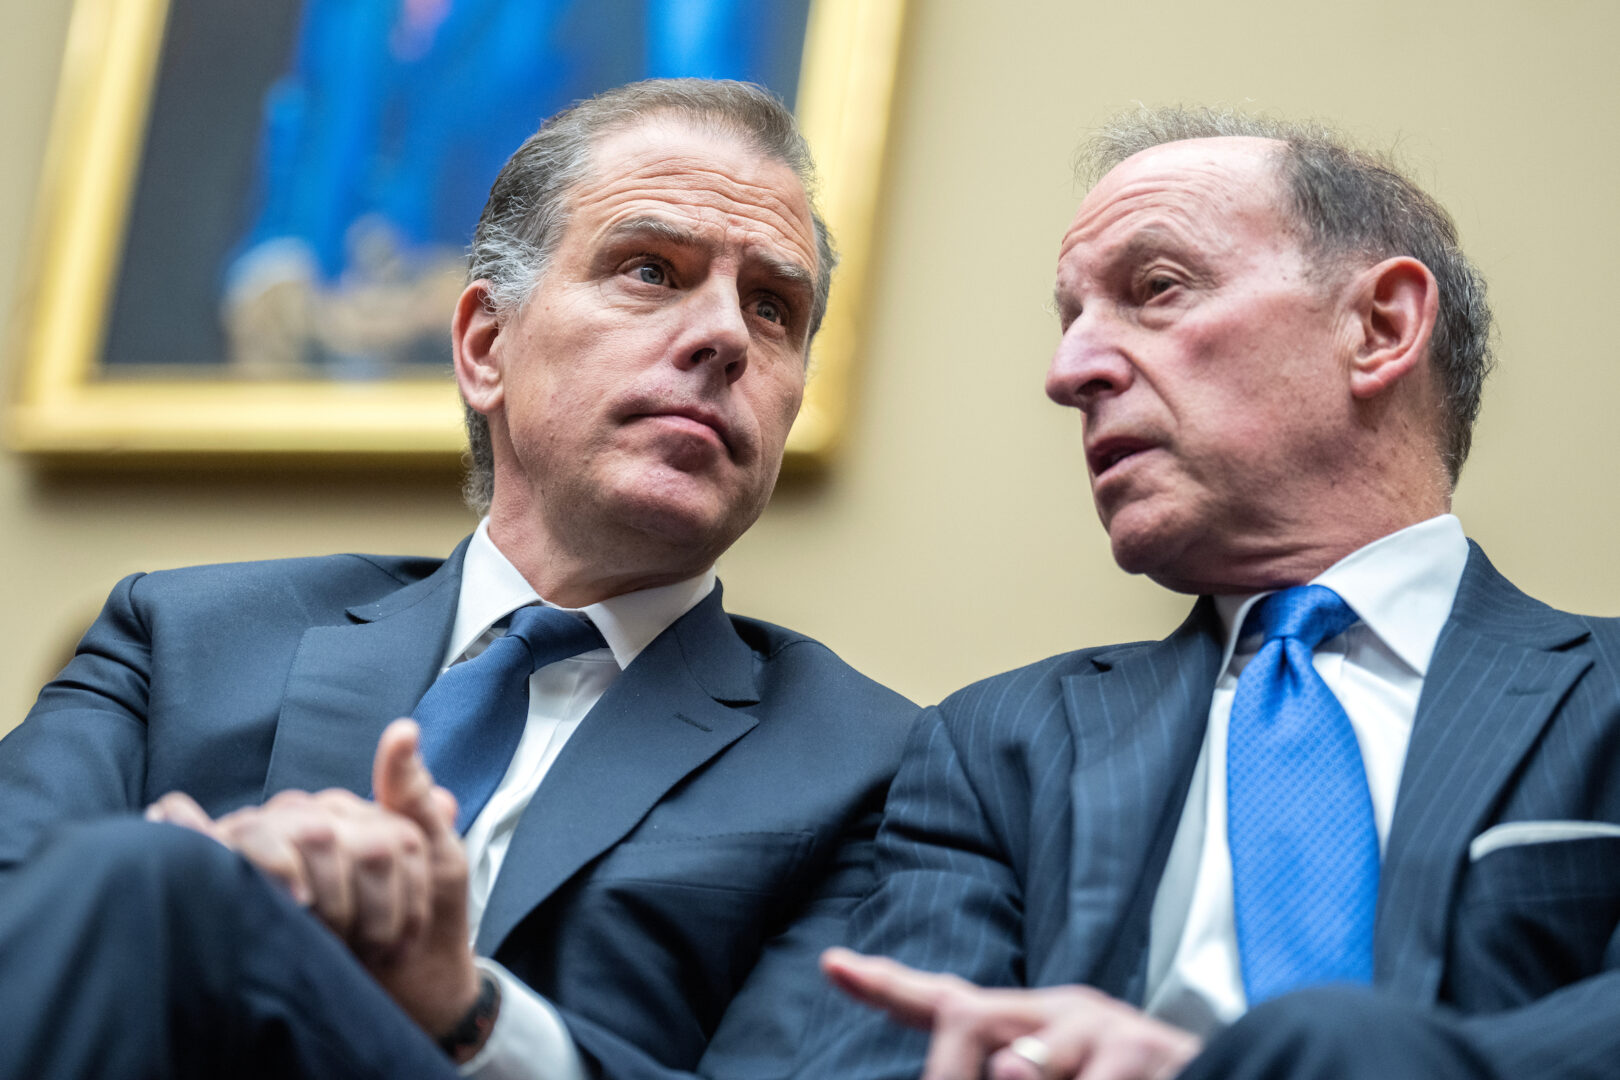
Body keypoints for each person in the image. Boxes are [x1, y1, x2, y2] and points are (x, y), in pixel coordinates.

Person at [0, 79, 916, 1080]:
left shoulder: (875, 769)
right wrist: (188, 906)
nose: (727, 337)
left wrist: (465, 1010)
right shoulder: (178, 640)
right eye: (653, 270)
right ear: (486, 346)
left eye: (773, 308)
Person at [796, 107, 1620, 1080]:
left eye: (1156, 290)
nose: (1069, 374)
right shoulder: (992, 749)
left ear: (1380, 326)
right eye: (1071, 323)